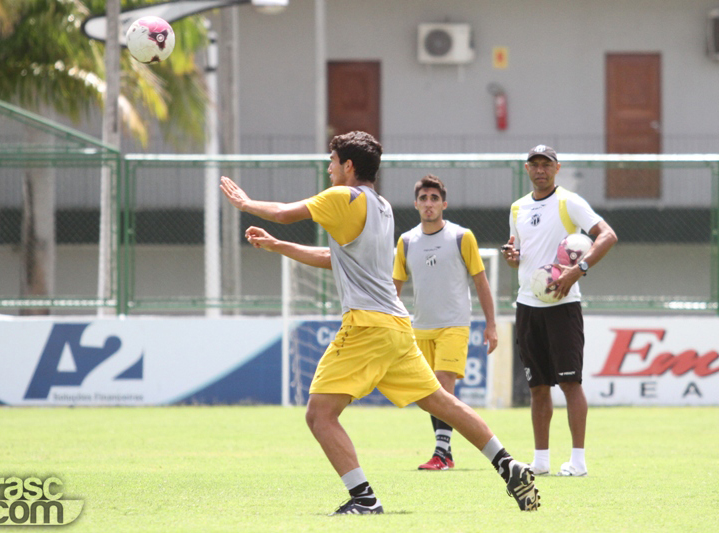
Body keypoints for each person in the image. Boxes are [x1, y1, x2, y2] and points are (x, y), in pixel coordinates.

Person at [221, 131, 539, 514]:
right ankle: (508, 464)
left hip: (367, 326)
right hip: (397, 326)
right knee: (441, 401)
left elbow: (285, 212)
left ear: (349, 166)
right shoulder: (382, 207)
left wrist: (245, 203)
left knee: (320, 414)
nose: (328, 168)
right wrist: (279, 246)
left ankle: (364, 499)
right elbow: (333, 256)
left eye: (333, 161)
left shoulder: (342, 197)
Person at [501, 144, 617, 477]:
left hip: (563, 305)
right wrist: (512, 258)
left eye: (546, 164)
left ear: (557, 168)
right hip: (527, 305)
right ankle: (541, 460)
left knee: (570, 384)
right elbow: (517, 252)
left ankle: (578, 461)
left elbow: (607, 236)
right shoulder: (518, 207)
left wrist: (578, 270)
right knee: (537, 387)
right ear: (526, 169)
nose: (540, 170)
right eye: (534, 164)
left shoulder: (569, 202)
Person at [393, 174, 498, 471]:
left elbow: (481, 282)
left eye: (434, 199)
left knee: (443, 384)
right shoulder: (406, 241)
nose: (429, 204)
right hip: (420, 326)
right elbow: (394, 290)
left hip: (454, 324)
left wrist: (491, 325)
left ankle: (442, 454)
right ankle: (444, 452)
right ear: (415, 204)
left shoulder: (461, 237)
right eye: (424, 198)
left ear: (444, 204)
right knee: (430, 394)